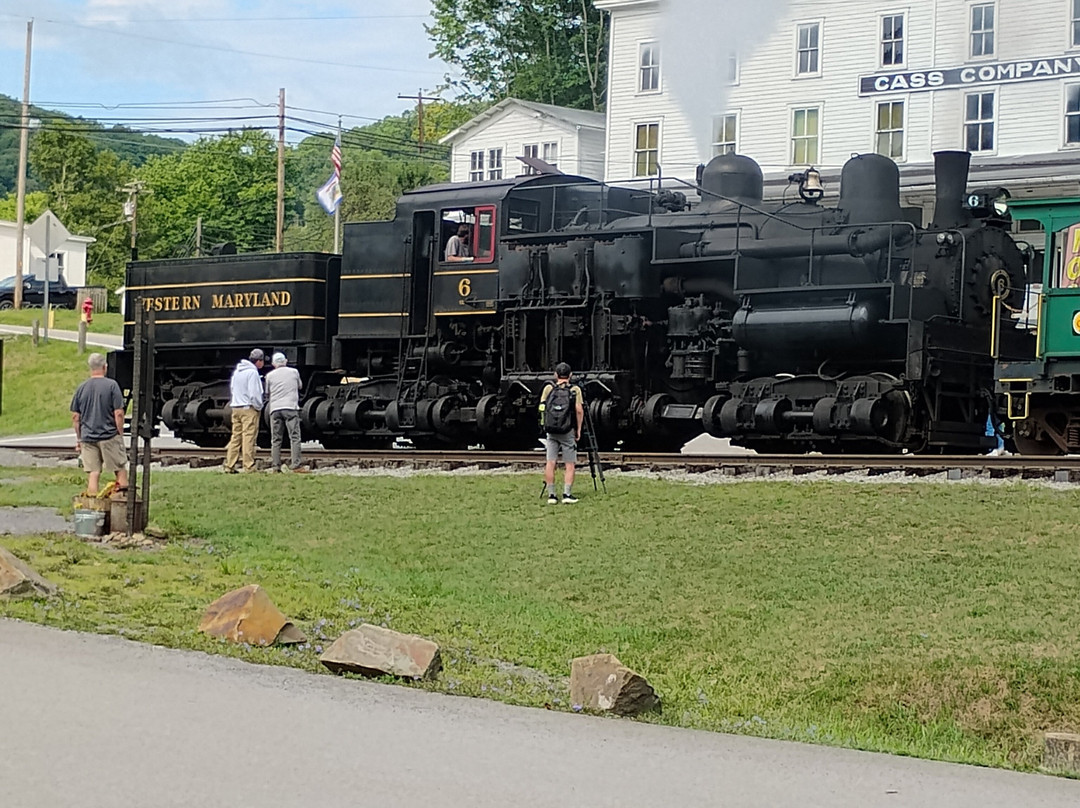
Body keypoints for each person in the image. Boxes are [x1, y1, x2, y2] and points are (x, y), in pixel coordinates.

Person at [70, 353, 129, 496]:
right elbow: (119, 413)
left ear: (90, 368)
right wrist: (119, 433)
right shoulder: (112, 386)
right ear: (105, 367)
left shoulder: (81, 388)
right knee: (119, 470)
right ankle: (121, 505)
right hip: (109, 436)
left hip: (88, 438)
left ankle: (92, 506)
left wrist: (79, 439)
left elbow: (76, 417)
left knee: (94, 473)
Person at [539, 362, 585, 504]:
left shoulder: (548, 388)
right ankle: (567, 494)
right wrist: (578, 429)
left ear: (555, 375)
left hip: (551, 431)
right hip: (567, 430)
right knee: (569, 464)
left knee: (550, 462)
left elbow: (542, 408)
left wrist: (544, 425)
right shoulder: (575, 390)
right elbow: (579, 410)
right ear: (570, 375)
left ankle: (552, 495)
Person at [264, 352, 309, 473]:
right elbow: (300, 386)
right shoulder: (294, 372)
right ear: (285, 361)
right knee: (294, 437)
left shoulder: (269, 375)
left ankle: (275, 467)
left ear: (273, 364)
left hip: (275, 409)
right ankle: (296, 465)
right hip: (290, 407)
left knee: (276, 439)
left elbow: (267, 392)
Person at [223, 348, 265, 473]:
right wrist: (258, 406)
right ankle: (249, 465)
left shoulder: (237, 372)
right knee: (249, 437)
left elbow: (232, 388)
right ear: (258, 361)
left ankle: (230, 465)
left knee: (235, 437)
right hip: (248, 408)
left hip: (236, 407)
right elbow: (254, 393)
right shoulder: (252, 373)